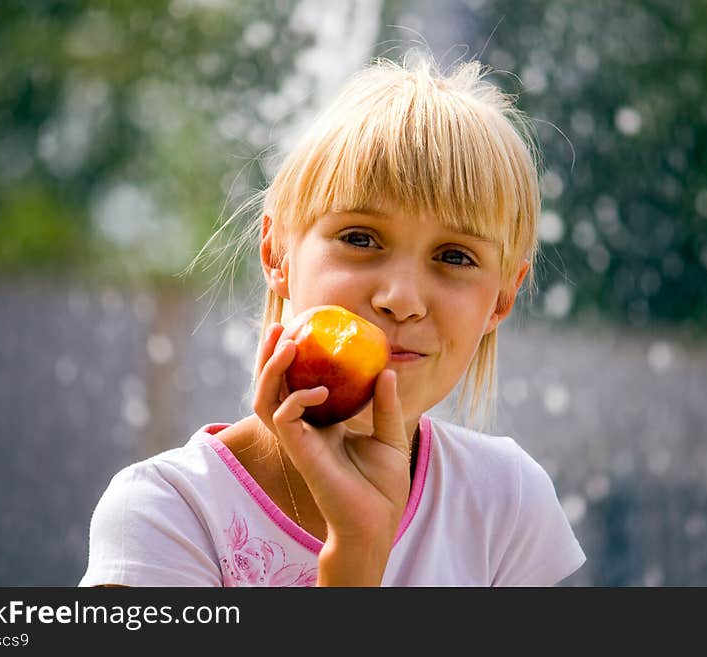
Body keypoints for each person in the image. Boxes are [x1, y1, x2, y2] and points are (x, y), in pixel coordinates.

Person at [79, 52, 585, 587]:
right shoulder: (163, 519)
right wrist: (356, 560)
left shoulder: (506, 505)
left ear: (502, 301)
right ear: (277, 255)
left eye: (455, 256)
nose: (401, 298)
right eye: (360, 239)